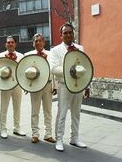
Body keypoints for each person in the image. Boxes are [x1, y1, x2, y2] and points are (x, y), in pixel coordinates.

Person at [50, 23, 90, 152]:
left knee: (76, 112)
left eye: (70, 32)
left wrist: (87, 85)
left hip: (78, 84)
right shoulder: (55, 50)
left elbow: (85, 66)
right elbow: (53, 68)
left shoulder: (80, 48)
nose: (68, 35)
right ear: (61, 36)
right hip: (64, 85)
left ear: (73, 34)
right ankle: (59, 139)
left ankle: (75, 138)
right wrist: (70, 70)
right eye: (65, 33)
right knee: (62, 113)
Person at [24, 33, 57, 144]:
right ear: (33, 43)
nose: (38, 42)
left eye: (40, 40)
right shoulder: (28, 55)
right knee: (35, 111)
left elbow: (54, 71)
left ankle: (48, 134)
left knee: (48, 111)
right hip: (35, 86)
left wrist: (55, 85)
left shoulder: (51, 54)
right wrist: (26, 85)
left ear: (44, 42)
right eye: (36, 41)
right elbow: (24, 72)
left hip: (48, 85)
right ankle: (35, 134)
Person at [0, 36, 26, 139]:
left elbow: (22, 71)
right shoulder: (0, 56)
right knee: (3, 108)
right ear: (5, 44)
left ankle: (17, 128)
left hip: (17, 84)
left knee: (17, 107)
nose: (10, 44)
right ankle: (3, 129)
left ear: (15, 44)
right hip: (5, 85)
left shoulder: (21, 56)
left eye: (12, 42)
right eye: (8, 42)